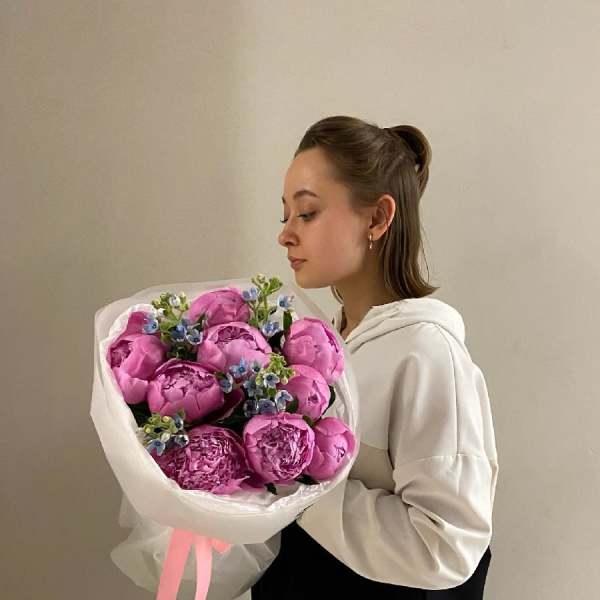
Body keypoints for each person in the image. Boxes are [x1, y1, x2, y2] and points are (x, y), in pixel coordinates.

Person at [251, 115, 499, 599]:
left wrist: (294, 483)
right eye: (285, 216)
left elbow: (447, 548)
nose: (286, 235)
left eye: (307, 213)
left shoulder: (424, 353)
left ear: (378, 218)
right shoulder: (320, 350)